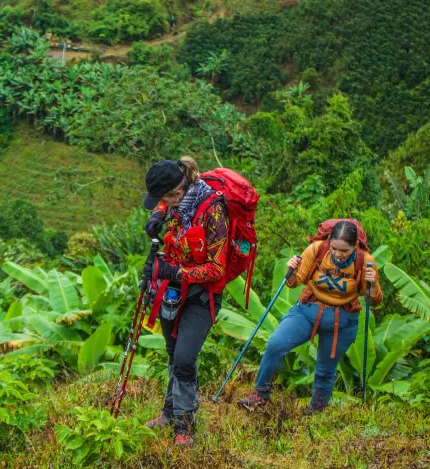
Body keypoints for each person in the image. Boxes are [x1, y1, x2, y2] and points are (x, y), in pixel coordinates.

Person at [239, 220, 383, 413]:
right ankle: (259, 396)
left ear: (355, 246)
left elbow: (374, 302)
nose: (338, 254)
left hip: (342, 321)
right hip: (307, 311)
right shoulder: (317, 250)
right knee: (275, 344)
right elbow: (295, 282)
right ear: (329, 241)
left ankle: (315, 415)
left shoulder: (365, 262)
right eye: (334, 248)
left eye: (345, 251)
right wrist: (290, 271)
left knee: (325, 370)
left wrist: (373, 284)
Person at [141, 156, 229, 447]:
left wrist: (176, 271)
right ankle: (169, 412)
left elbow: (217, 268)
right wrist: (157, 215)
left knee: (184, 359)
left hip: (201, 295)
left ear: (177, 192)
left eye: (164, 199)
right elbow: (164, 204)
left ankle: (185, 425)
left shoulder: (213, 211)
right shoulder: (176, 201)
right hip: (172, 289)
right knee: (171, 353)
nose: (162, 204)